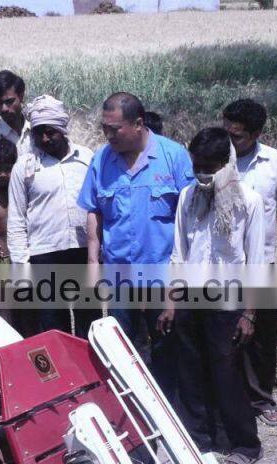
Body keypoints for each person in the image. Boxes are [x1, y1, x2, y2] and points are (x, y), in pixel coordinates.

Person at [161, 127, 265, 464]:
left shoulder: (248, 200)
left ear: (225, 163)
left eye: (208, 167)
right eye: (197, 167)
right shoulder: (188, 197)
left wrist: (249, 313)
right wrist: (171, 303)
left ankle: (245, 445)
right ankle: (200, 439)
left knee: (227, 371)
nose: (202, 175)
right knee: (190, 370)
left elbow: (255, 262)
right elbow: (179, 253)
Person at [78, 92, 194, 396]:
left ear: (139, 123)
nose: (108, 135)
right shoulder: (101, 160)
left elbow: (190, 216)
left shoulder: (173, 156)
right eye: (104, 127)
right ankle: (136, 403)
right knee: (125, 346)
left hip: (162, 276)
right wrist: (93, 262)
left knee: (167, 343)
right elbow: (94, 210)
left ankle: (170, 405)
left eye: (114, 129)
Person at [223, 98, 277, 427]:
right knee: (224, 331)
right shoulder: (216, 160)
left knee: (262, 337)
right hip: (224, 265)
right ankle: (227, 393)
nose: (230, 141)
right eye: (226, 132)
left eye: (237, 136)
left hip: (263, 265)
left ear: (256, 134)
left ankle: (261, 397)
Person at [8, 95, 95, 337]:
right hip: (44, 255)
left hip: (82, 251)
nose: (44, 139)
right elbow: (16, 219)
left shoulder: (86, 158)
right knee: (53, 326)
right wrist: (22, 268)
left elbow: (99, 207)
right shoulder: (24, 166)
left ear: (62, 129)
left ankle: (90, 374)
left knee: (89, 319)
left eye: (50, 132)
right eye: (38, 133)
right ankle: (63, 375)